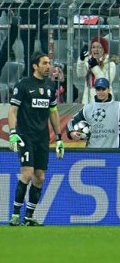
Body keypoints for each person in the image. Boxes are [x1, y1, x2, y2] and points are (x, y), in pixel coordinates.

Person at [8, 52, 65, 226]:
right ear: (35, 66)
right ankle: (16, 214)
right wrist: (12, 132)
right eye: (45, 63)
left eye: (49, 63)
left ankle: (29, 217)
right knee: (27, 172)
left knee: (39, 177)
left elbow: (53, 113)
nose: (49, 66)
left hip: (42, 138)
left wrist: (59, 137)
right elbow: (13, 110)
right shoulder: (23, 85)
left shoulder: (50, 87)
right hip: (25, 135)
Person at [66, 77, 120, 148]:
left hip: (113, 153)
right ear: (95, 90)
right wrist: (71, 133)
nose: (101, 92)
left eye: (103, 89)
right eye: (98, 89)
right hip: (92, 152)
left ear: (108, 89)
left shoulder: (118, 107)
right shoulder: (87, 108)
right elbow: (71, 122)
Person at [76, 36, 116, 104]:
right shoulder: (88, 61)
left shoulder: (111, 64)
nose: (96, 50)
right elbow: (80, 74)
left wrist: (95, 67)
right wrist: (81, 60)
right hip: (88, 99)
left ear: (104, 50)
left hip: (104, 100)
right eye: (93, 47)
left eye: (99, 47)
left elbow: (105, 82)